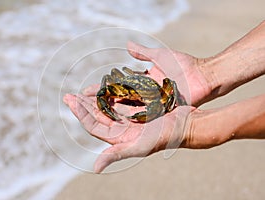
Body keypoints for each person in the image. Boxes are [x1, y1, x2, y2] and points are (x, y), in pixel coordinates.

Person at [63, 21, 265, 173]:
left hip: (153, 93)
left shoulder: (159, 91)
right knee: (107, 84)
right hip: (135, 85)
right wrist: (206, 73)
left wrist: (190, 126)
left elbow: (169, 91)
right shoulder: (119, 87)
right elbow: (109, 80)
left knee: (169, 91)